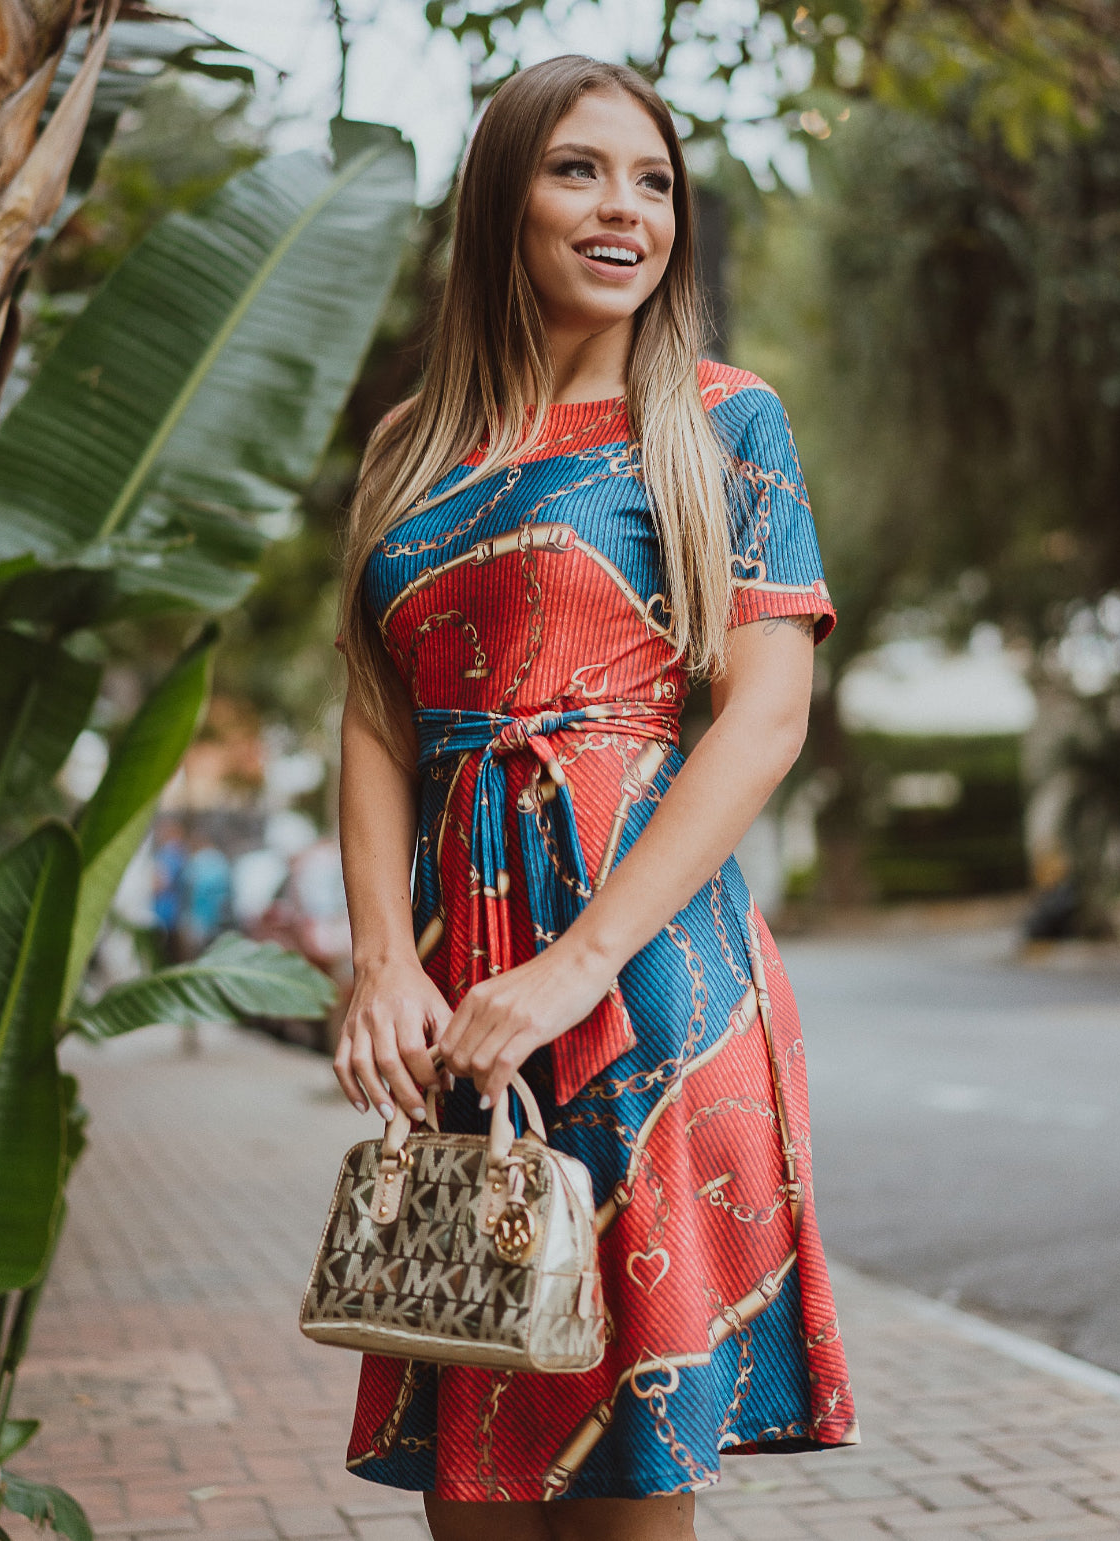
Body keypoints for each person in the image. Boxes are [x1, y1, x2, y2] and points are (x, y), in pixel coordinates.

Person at [333, 54, 858, 1541]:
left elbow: (761, 716)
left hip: (640, 975)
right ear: (502, 197)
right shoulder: (407, 446)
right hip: (459, 990)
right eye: (578, 169)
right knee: (477, 1453)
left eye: (653, 180)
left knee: (622, 1472)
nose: (625, 208)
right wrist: (380, 956)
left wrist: (573, 969)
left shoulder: (717, 416)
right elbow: (378, 714)